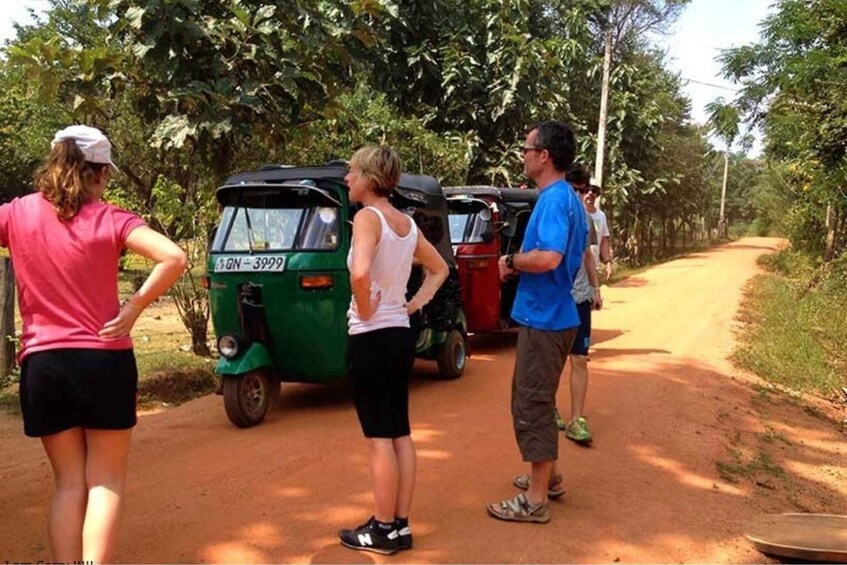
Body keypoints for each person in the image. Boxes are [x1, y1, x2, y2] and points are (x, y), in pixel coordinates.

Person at [0, 125, 187, 563]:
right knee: (105, 482)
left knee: (67, 483)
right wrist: (135, 306)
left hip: (44, 365)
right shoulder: (112, 218)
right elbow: (175, 258)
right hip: (104, 360)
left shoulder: (17, 214)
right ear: (99, 173)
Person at [339, 146, 448, 554]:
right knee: (399, 430)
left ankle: (383, 529)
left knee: (377, 438)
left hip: (371, 336)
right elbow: (439, 268)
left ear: (369, 177)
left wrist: (366, 310)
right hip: (399, 334)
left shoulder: (367, 218)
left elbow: (360, 272)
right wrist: (413, 304)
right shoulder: (405, 223)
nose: (347, 178)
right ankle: (399, 525)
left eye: (352, 171)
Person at [486, 121, 589, 524]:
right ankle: (550, 477)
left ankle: (535, 499)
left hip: (545, 318)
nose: (523, 154)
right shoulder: (569, 199)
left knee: (530, 403)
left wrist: (510, 262)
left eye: (527, 148)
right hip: (556, 314)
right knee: (537, 399)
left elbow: (548, 258)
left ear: (544, 156)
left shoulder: (552, 200)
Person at [556, 164, 604, 445]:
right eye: (576, 190)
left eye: (584, 190)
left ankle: (576, 419)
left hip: (580, 299)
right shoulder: (555, 213)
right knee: (554, 360)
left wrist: (596, 288)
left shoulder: (586, 221)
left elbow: (587, 255)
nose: (580, 195)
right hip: (558, 298)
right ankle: (550, 409)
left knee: (579, 358)